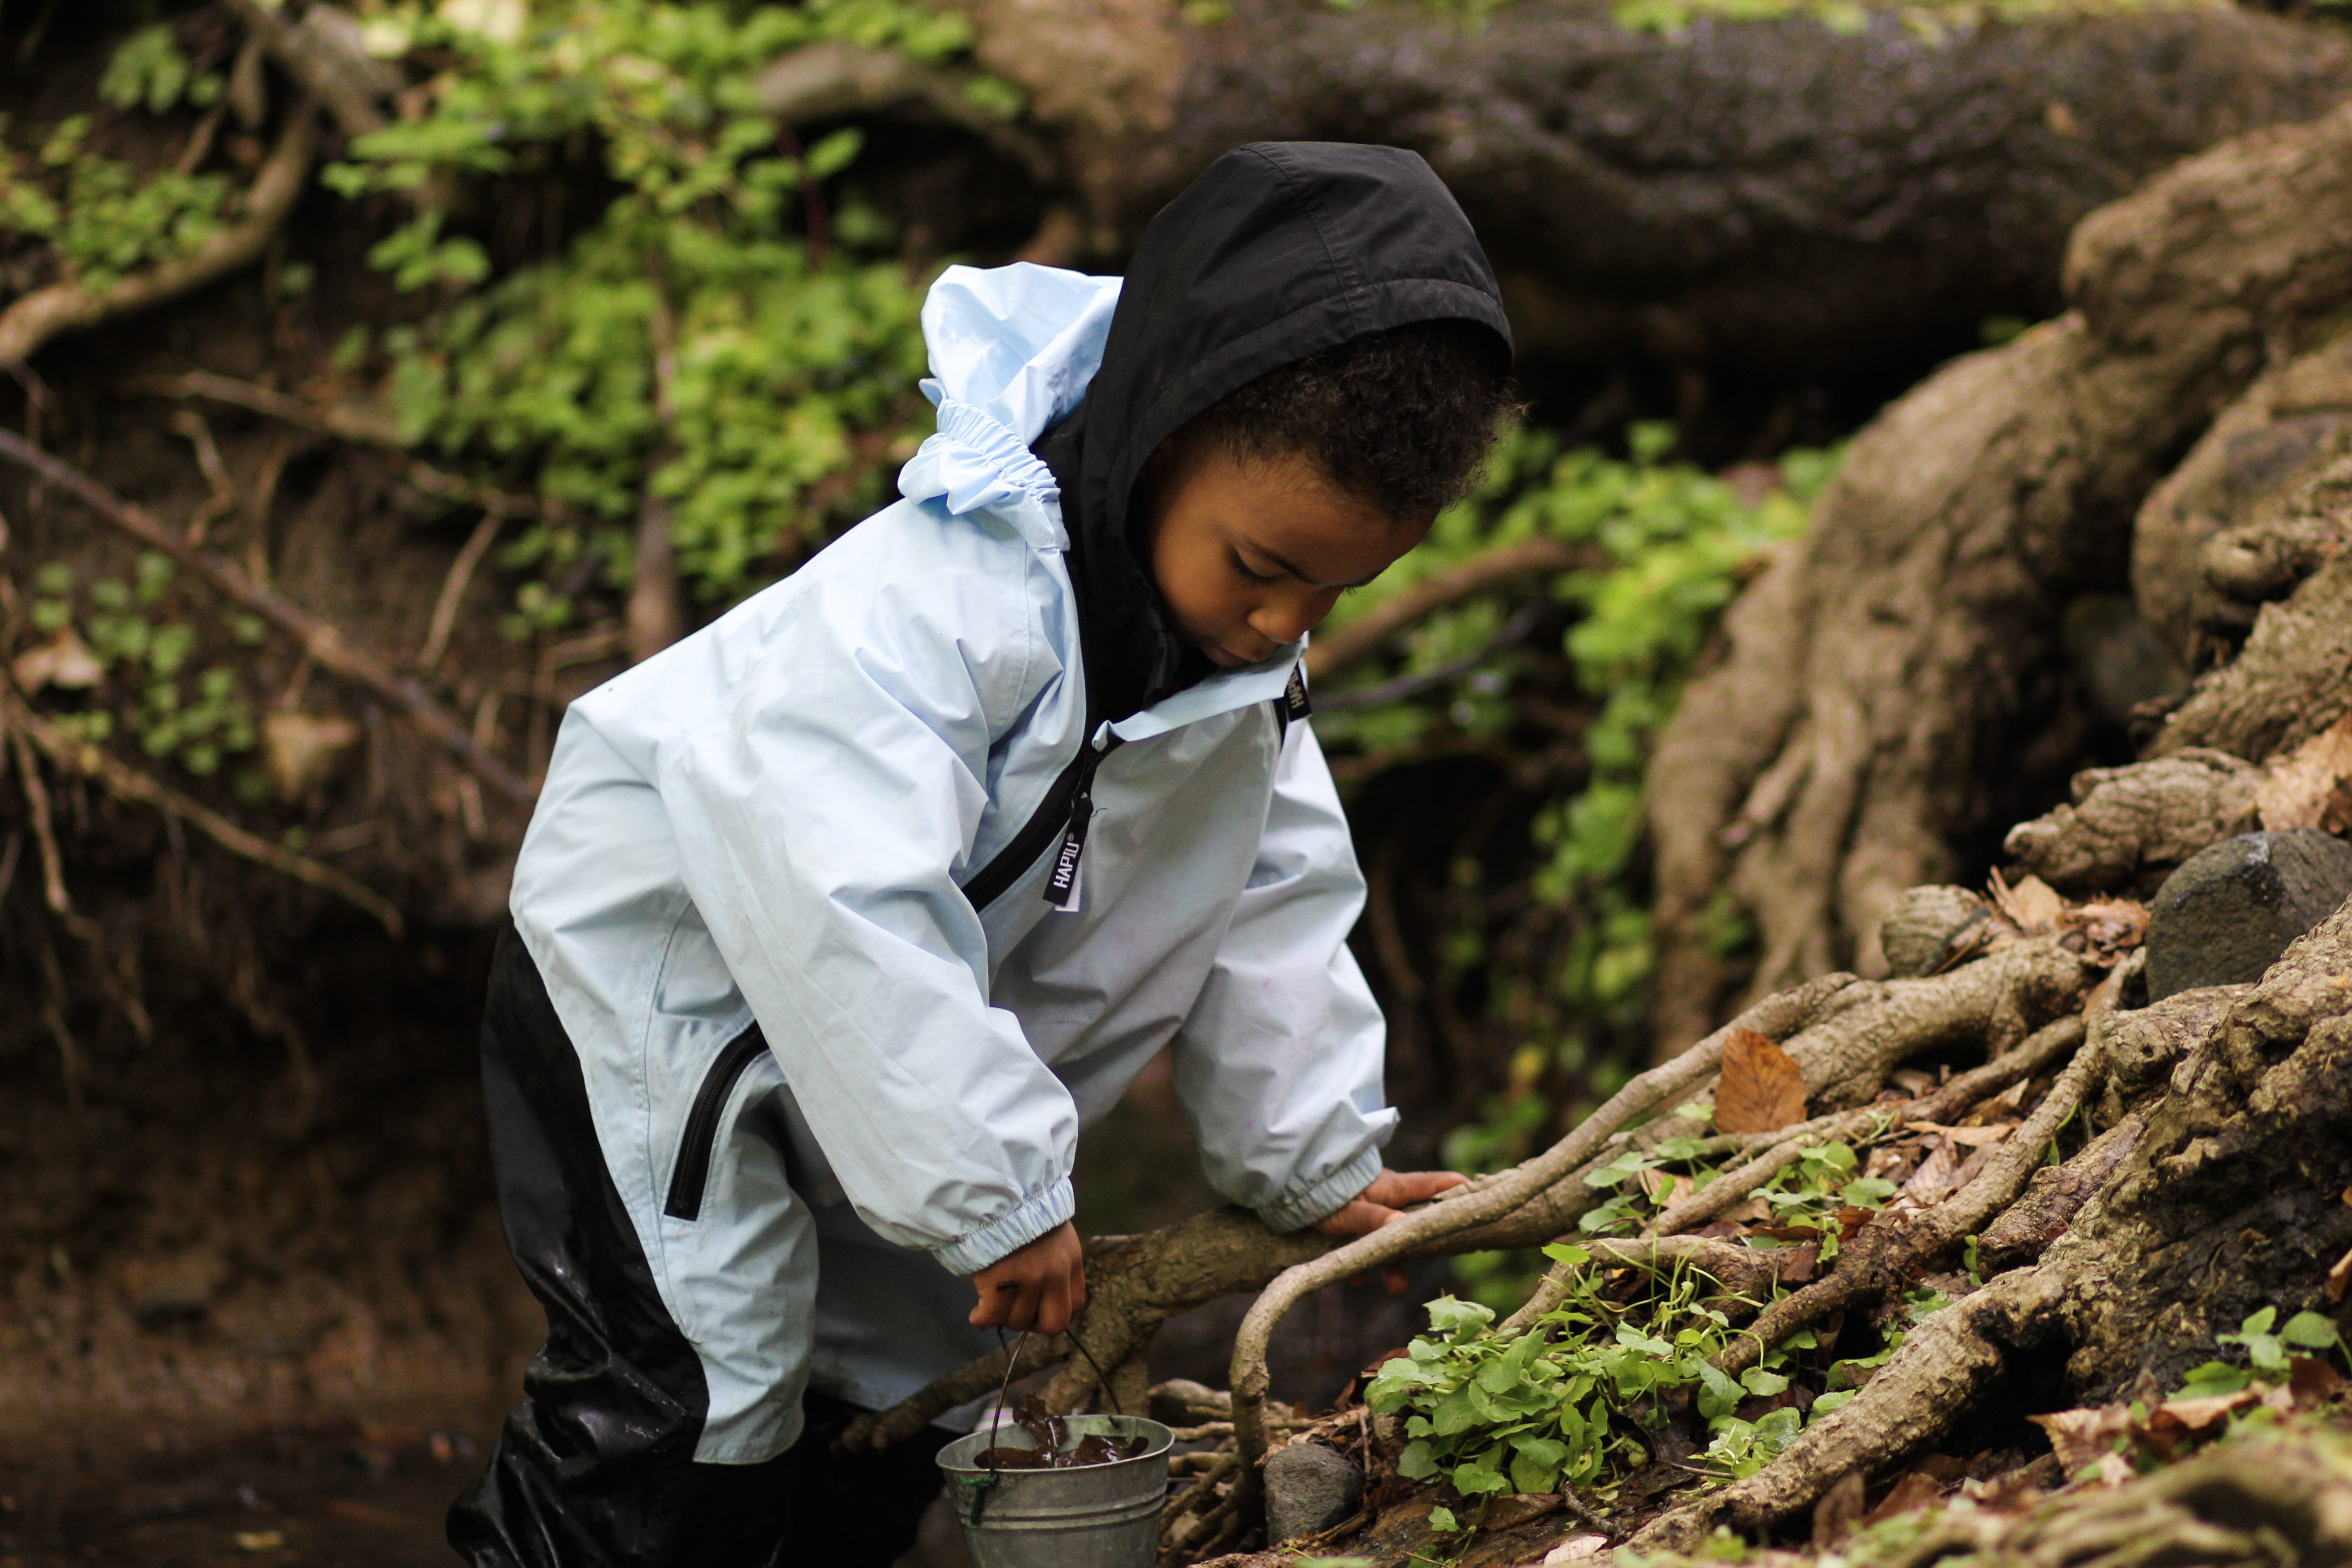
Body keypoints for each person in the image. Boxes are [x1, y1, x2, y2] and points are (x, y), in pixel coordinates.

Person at [448, 140, 1515, 1567]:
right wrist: (995, 1185)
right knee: (697, 1388)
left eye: (1335, 588)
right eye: (1259, 566)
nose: (1280, 622)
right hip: (665, 977)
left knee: (890, 1394)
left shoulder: (1238, 682)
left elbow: (1272, 894)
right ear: (1158, 429)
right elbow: (842, 889)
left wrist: (1309, 1148)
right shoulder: (945, 603)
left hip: (891, 1036)